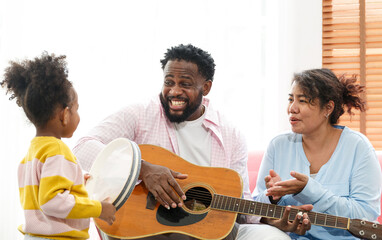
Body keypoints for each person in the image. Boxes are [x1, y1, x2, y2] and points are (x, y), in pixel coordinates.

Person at [73, 44, 310, 240]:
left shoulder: (230, 134)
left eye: (185, 84)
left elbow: (240, 202)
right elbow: (82, 146)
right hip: (144, 227)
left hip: (209, 229)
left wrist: (270, 219)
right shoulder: (139, 114)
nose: (174, 91)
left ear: (206, 87)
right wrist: (142, 169)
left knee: (273, 237)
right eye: (169, 82)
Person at [252, 68, 382, 239]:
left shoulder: (358, 147)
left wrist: (309, 190)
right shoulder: (278, 145)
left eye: (303, 100)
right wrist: (273, 198)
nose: (292, 108)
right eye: (291, 99)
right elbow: (253, 208)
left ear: (328, 108)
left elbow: (365, 214)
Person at [1, 52, 116, 240]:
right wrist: (99, 209)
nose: (78, 115)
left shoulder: (33, 152)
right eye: (76, 108)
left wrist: (77, 179)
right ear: (64, 114)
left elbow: (44, 192)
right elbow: (52, 201)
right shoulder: (57, 150)